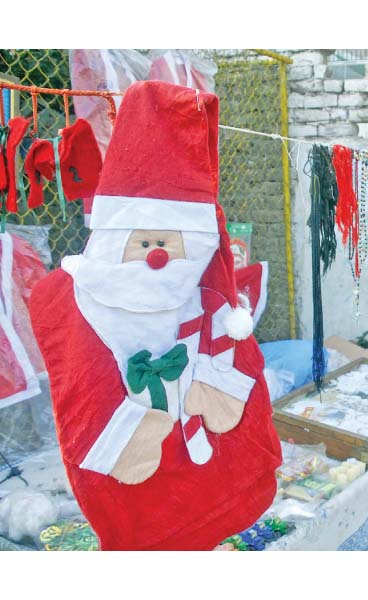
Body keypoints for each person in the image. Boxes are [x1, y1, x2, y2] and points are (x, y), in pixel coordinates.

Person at [29, 81, 282, 550]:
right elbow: (81, 385)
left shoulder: (200, 289)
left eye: (169, 245)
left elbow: (226, 332)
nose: (159, 258)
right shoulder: (70, 295)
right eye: (145, 243)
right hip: (126, 448)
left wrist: (216, 378)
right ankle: (129, 445)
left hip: (207, 447)